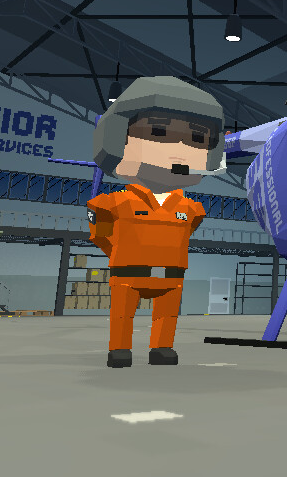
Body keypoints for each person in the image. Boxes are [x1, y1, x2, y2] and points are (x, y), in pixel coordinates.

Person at [86, 77, 225, 368]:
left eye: (197, 138)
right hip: (128, 273)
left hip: (172, 274)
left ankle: (162, 347)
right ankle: (120, 349)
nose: (179, 148)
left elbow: (186, 232)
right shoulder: (113, 203)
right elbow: (100, 235)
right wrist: (122, 254)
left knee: (167, 313)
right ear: (116, 138)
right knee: (122, 314)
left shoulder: (191, 208)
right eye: (157, 132)